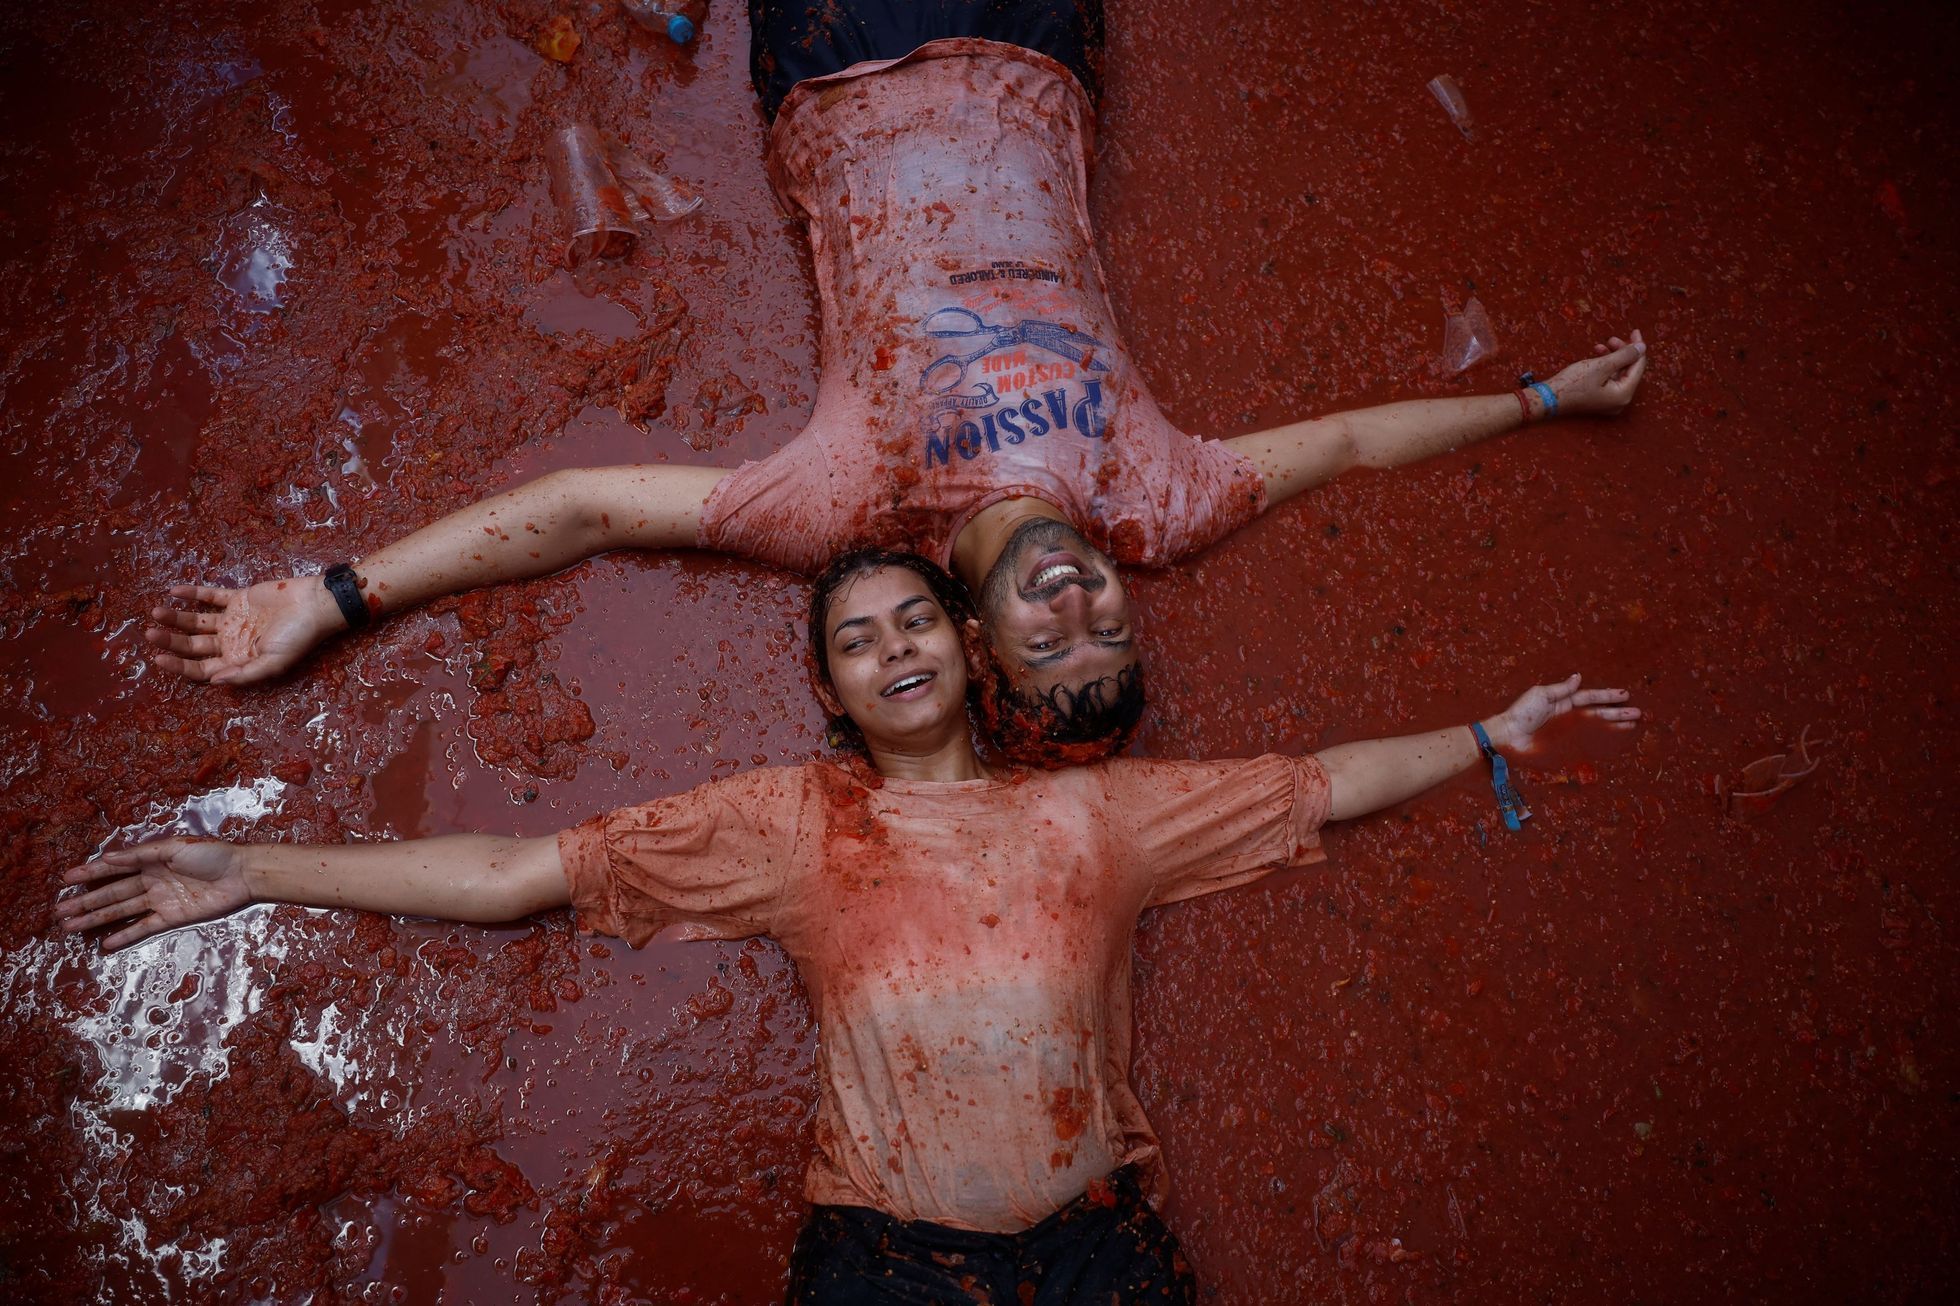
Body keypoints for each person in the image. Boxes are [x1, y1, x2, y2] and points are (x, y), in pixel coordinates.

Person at [64, 549, 1641, 1302]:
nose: (892, 652)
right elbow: (513, 872)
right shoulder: (788, 822)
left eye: (913, 624)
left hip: (1103, 1256)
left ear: (966, 647)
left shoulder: (1101, 815)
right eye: (855, 642)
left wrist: (1489, 734)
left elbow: (1318, 782)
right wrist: (262, 867)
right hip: (880, 1266)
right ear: (830, 689)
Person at [141, 0, 1650, 761]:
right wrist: (1540, 399)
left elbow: (587, 507)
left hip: (843, 51)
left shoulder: (852, 505)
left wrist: (333, 595)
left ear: (986, 654)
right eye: (1102, 625)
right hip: (1040, 43)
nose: (1078, 605)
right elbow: (1357, 441)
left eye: (1049, 642)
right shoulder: (1154, 494)